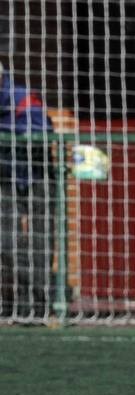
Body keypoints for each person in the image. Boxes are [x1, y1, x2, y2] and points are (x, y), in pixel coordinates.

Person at [0, 61, 54, 317]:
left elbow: (43, 131)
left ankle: (36, 305)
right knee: (7, 242)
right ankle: (17, 300)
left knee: (41, 242)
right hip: (4, 178)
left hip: (36, 178)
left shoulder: (23, 99)